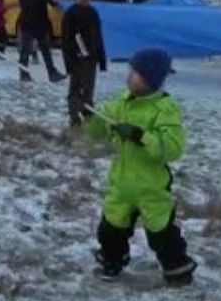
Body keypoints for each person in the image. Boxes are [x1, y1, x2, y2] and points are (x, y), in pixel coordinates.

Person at [83, 48, 196, 285]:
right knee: (110, 229)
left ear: (151, 79)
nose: (129, 76)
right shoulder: (121, 103)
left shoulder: (165, 108)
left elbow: (173, 148)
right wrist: (87, 116)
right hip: (122, 183)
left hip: (151, 187)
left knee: (161, 232)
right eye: (130, 70)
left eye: (136, 73)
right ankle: (112, 260)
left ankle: (178, 268)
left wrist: (140, 136)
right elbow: (97, 132)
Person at [62, 0, 107, 126]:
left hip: (91, 58)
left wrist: (102, 59)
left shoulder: (93, 12)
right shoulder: (70, 13)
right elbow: (67, 39)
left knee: (88, 87)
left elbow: (98, 36)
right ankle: (74, 115)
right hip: (76, 58)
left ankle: (88, 114)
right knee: (75, 87)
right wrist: (68, 62)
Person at [16, 0, 67, 83]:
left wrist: (54, 2)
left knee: (43, 48)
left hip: (38, 19)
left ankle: (51, 73)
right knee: (26, 50)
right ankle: (24, 73)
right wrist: (50, 0)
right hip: (29, 20)